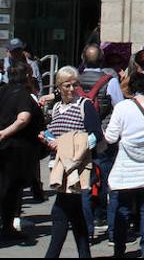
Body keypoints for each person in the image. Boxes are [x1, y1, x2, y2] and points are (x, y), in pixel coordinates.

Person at [105, 71, 144, 258]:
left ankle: (119, 250)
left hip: (126, 165)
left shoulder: (122, 107)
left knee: (123, 208)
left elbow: (110, 137)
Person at [41, 65, 101, 258]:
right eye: (67, 85)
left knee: (59, 212)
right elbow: (56, 134)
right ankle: (85, 254)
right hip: (59, 165)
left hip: (76, 167)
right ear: (59, 86)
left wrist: (76, 150)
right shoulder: (56, 107)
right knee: (76, 217)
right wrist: (48, 138)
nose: (71, 89)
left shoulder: (84, 105)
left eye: (74, 84)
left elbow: (96, 135)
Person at [0, 61, 41, 242]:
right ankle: (8, 228)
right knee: (11, 190)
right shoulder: (24, 95)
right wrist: (4, 133)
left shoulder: (3, 91)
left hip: (6, 149)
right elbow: (23, 118)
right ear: (27, 76)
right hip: (16, 150)